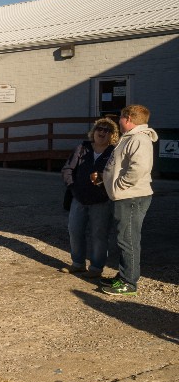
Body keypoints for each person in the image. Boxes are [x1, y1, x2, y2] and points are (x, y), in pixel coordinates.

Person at [99, 105, 158, 296]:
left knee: (128, 240)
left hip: (131, 197)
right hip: (125, 196)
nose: (119, 121)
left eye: (121, 117)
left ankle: (129, 283)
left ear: (129, 118)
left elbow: (139, 168)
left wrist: (120, 185)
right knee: (124, 238)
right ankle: (124, 275)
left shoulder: (139, 139)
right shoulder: (131, 137)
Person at [60, 118, 119, 278]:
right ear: (94, 131)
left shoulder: (114, 152)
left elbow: (117, 176)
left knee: (99, 234)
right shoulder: (82, 147)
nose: (102, 132)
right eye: (100, 128)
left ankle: (96, 268)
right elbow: (67, 169)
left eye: (107, 130)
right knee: (75, 230)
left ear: (112, 135)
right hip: (78, 198)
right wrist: (73, 187)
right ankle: (78, 264)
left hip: (101, 201)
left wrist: (103, 181)